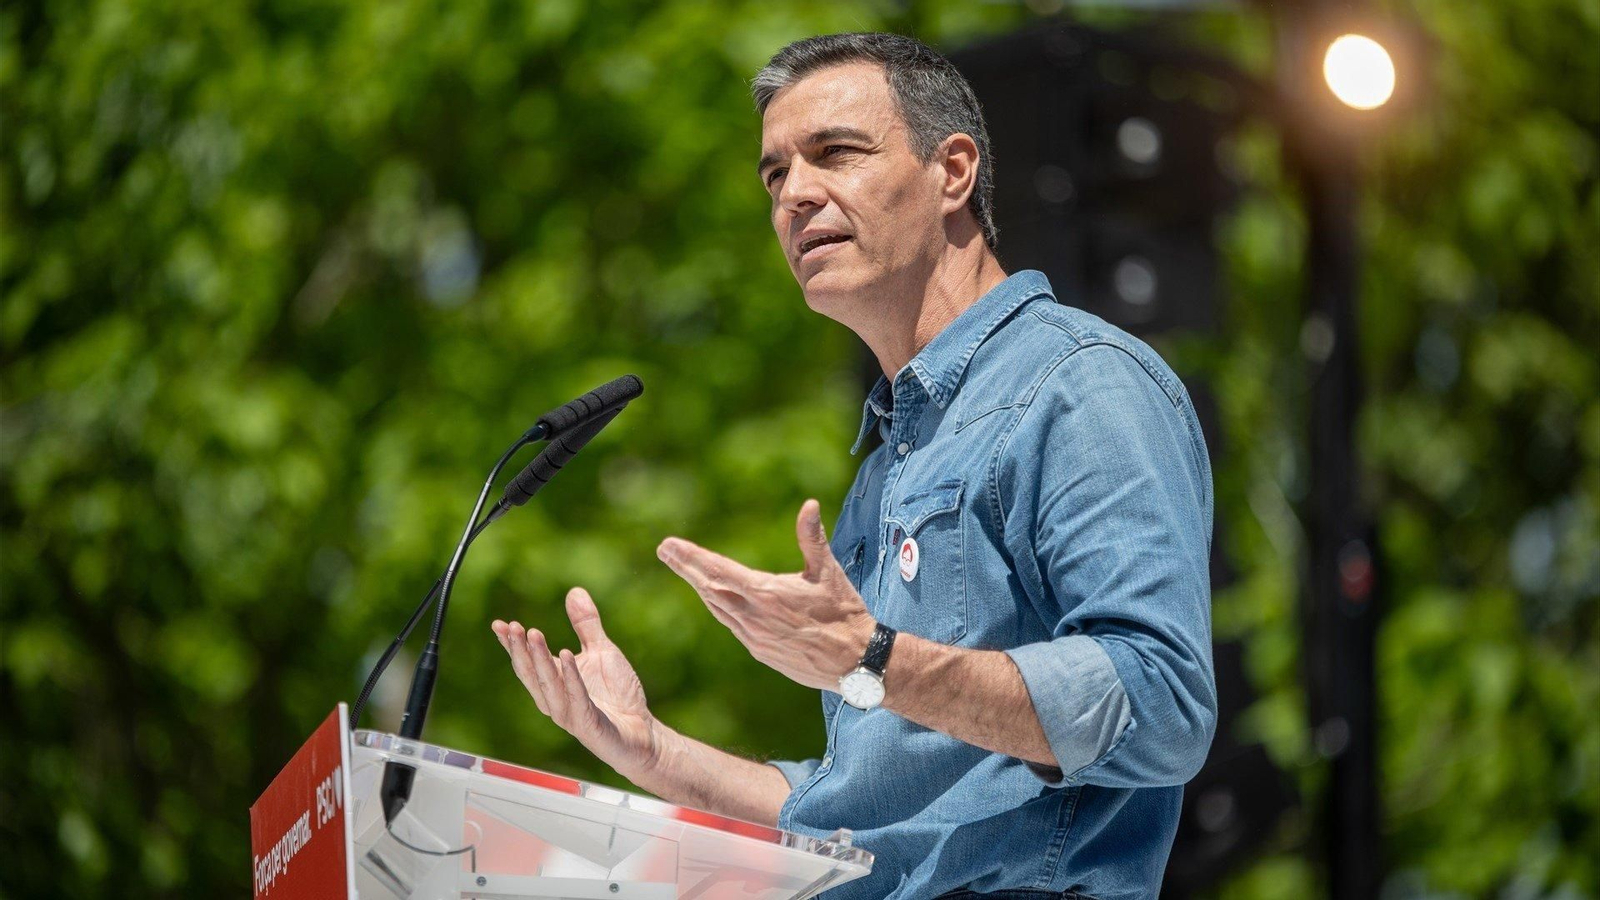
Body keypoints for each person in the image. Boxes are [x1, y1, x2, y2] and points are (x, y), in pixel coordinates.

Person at [491, 32, 1216, 900]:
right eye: (774, 175)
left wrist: (872, 659)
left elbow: (1164, 703)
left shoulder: (1080, 385)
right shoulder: (887, 463)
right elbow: (855, 819)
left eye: (834, 152)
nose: (795, 193)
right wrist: (653, 752)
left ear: (952, 172)